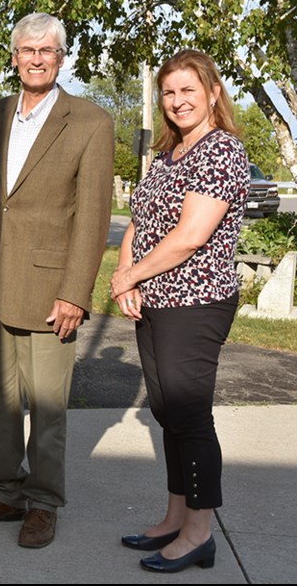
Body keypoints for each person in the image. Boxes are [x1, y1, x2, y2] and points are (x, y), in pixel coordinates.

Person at [0, 12, 114, 548]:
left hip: (50, 289)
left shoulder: (90, 120)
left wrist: (74, 293)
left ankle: (43, 503)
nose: (37, 58)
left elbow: (91, 218)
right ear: (15, 56)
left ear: (61, 57)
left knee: (47, 404)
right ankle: (2, 491)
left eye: (47, 50)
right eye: (28, 50)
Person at [112, 50, 248, 573]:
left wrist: (130, 275)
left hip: (196, 301)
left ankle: (199, 533)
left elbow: (190, 237)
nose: (177, 101)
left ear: (213, 92)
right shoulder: (170, 154)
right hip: (157, 300)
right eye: (168, 92)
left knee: (189, 415)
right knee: (169, 414)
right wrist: (127, 276)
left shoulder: (221, 151)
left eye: (188, 90)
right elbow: (138, 221)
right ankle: (173, 516)